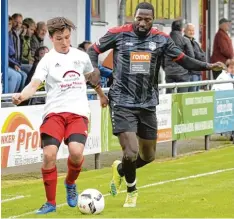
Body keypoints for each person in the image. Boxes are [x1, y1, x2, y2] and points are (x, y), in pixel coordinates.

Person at [87, 2, 224, 208]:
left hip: (148, 102)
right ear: (133, 17)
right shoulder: (118, 33)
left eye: (147, 19)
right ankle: (132, 191)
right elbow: (92, 50)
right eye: (139, 18)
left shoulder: (161, 39)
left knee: (148, 156)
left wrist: (207, 65)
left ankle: (121, 170)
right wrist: (93, 70)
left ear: (153, 20)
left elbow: (183, 60)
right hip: (122, 101)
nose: (142, 23)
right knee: (131, 151)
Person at [12, 17, 108, 214]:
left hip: (78, 113)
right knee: (49, 155)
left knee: (75, 152)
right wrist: (21, 96)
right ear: (50, 38)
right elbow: (33, 84)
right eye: (59, 39)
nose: (64, 42)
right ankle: (51, 203)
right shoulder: (46, 60)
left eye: (67, 37)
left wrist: (101, 95)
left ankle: (70, 183)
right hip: (54, 113)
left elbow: (91, 78)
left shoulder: (80, 56)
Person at [184, 23, 206, 92]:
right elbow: (191, 56)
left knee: (197, 96)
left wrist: (198, 55)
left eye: (193, 30)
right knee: (191, 95)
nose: (191, 32)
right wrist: (198, 55)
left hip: (198, 73)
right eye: (189, 30)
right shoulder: (183, 41)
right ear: (184, 31)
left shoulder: (196, 43)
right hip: (191, 73)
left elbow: (203, 57)